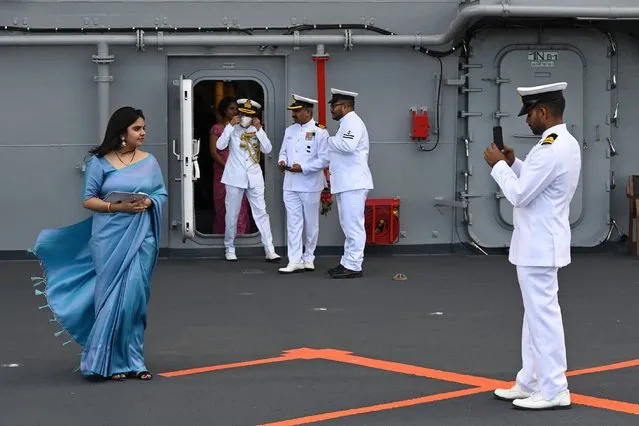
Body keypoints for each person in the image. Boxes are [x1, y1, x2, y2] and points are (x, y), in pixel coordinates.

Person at [31, 106, 168, 381]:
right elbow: (88, 199)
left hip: (142, 237)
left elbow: (161, 193)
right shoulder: (100, 162)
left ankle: (135, 360)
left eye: (144, 128)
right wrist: (117, 207)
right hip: (109, 237)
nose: (143, 133)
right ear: (121, 132)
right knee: (110, 300)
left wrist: (150, 201)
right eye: (137, 128)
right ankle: (107, 362)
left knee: (135, 301)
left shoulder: (150, 161)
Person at [484, 82, 581, 410]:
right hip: (540, 243)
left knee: (543, 317)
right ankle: (530, 381)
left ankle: (555, 388)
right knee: (535, 315)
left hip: (539, 246)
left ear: (543, 112)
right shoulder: (560, 143)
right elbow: (538, 184)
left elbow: (520, 194)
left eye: (530, 114)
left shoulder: (550, 148)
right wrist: (514, 164)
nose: (527, 121)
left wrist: (497, 165)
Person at [216, 98, 281, 262]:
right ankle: (229, 247)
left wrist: (259, 129)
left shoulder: (256, 129)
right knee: (232, 214)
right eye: (243, 113)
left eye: (249, 115)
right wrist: (230, 126)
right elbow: (220, 146)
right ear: (239, 113)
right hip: (234, 177)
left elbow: (268, 149)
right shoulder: (231, 129)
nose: (245, 117)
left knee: (261, 213)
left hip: (254, 177)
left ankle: (270, 249)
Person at [277, 94, 329, 273]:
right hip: (290, 184)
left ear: (308, 112)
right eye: (293, 111)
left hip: (310, 184)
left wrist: (304, 168)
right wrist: (282, 161)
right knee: (293, 222)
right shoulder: (289, 131)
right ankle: (294, 259)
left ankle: (309, 257)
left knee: (311, 223)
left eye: (297, 111)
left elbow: (324, 160)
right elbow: (283, 151)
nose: (293, 114)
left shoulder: (320, 132)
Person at [325, 88, 374, 279]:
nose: (331, 110)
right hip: (347, 182)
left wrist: (326, 139)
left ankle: (354, 265)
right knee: (348, 224)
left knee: (353, 225)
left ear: (344, 106)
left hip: (353, 182)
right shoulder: (347, 122)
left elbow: (347, 146)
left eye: (334, 106)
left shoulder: (352, 122)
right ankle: (348, 262)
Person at [209, 97, 251, 235]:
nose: (235, 111)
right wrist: (228, 166)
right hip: (223, 172)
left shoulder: (241, 128)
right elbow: (213, 152)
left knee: (241, 205)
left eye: (236, 109)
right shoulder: (217, 128)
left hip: (239, 171)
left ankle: (240, 235)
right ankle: (222, 236)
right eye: (231, 108)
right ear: (224, 111)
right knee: (222, 204)